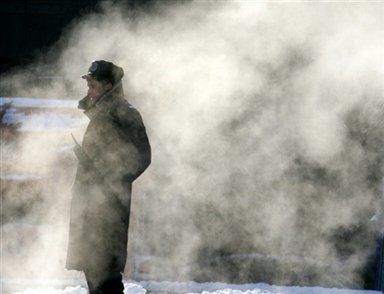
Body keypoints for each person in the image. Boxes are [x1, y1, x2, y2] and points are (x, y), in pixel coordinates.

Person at [66, 60, 151, 294]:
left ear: (108, 86)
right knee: (94, 274)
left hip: (108, 210)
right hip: (92, 207)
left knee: (106, 276)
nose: (89, 91)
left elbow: (142, 156)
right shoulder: (101, 115)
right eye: (89, 85)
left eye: (93, 85)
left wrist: (106, 176)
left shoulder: (125, 113)